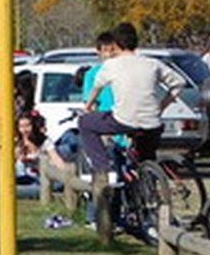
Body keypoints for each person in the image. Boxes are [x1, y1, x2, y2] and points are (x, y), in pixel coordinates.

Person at [78, 22, 185, 181]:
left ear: (116, 44)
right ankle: (150, 192)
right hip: (152, 122)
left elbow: (96, 88)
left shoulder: (111, 65)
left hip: (124, 120)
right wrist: (162, 105)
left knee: (85, 123)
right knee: (145, 161)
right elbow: (179, 83)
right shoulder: (152, 63)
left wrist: (87, 107)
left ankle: (104, 169)